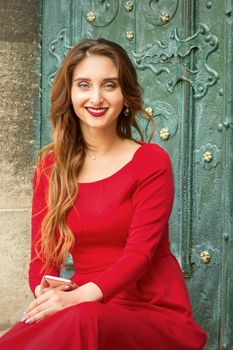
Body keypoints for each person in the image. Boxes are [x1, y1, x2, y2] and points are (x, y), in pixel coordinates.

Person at [0, 38, 208, 349]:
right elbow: (43, 256)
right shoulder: (50, 166)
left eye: (109, 85)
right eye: (84, 85)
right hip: (83, 305)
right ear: (69, 94)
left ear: (126, 95)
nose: (96, 97)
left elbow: (139, 255)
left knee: (84, 320)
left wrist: (79, 299)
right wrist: (46, 293)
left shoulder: (150, 161)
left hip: (150, 311)